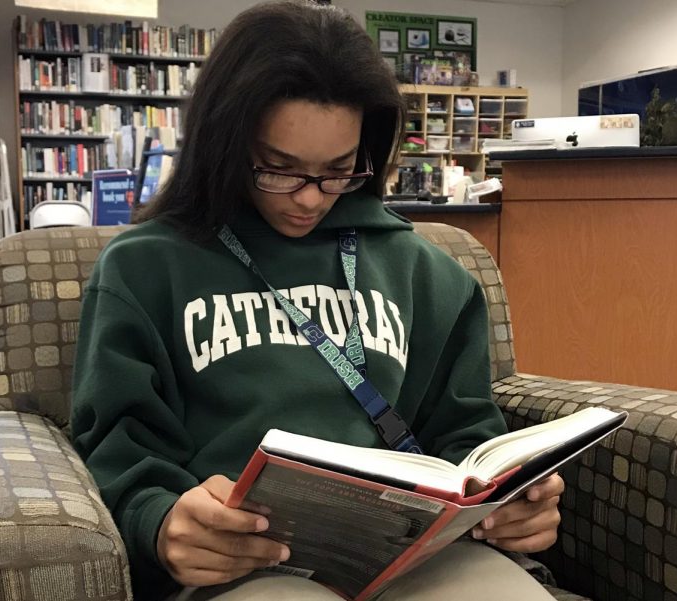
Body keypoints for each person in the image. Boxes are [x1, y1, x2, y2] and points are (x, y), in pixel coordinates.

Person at [70, 2, 564, 600]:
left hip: (419, 556)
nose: (310, 199)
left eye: (338, 171)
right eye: (279, 170)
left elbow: (463, 435)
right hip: (248, 562)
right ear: (224, 145)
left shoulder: (431, 275)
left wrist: (506, 501)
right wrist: (161, 520)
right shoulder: (143, 268)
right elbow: (117, 451)